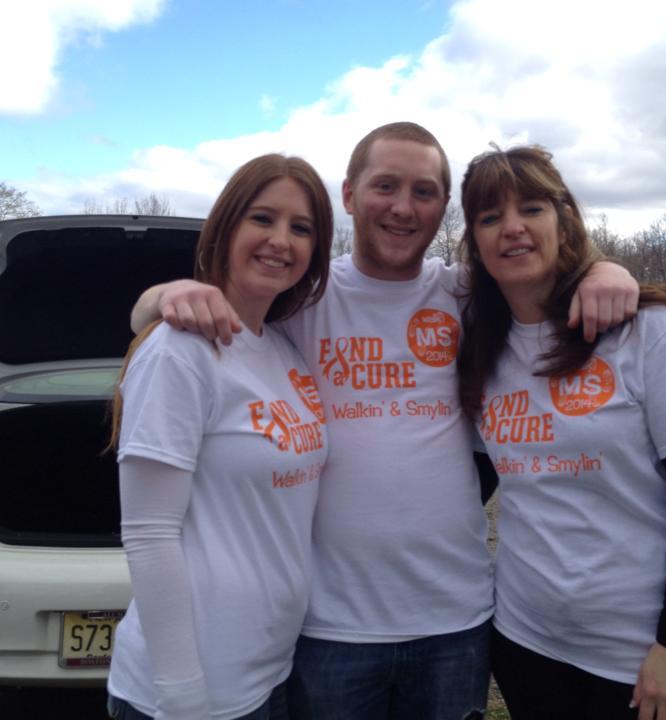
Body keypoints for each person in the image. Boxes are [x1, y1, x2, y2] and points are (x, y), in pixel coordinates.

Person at [130, 123, 639, 720]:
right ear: (350, 194)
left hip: (456, 619)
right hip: (330, 627)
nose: (403, 207)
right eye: (385, 186)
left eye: (424, 192)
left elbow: (546, 276)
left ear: (444, 208)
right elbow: (218, 314)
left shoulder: (469, 297)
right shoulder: (303, 296)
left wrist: (607, 271)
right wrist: (161, 295)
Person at [457, 144, 666, 720]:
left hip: (649, 659)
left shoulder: (644, 330)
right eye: (490, 217)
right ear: (474, 240)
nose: (512, 228)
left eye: (531, 208)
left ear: (564, 220)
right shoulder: (481, 348)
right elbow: (475, 480)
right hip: (526, 644)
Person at [106, 154, 333, 720]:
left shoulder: (282, 349)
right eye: (263, 218)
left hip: (269, 674)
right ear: (226, 226)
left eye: (301, 228)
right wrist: (182, 694)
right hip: (191, 693)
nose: (280, 240)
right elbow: (149, 534)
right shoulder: (180, 352)